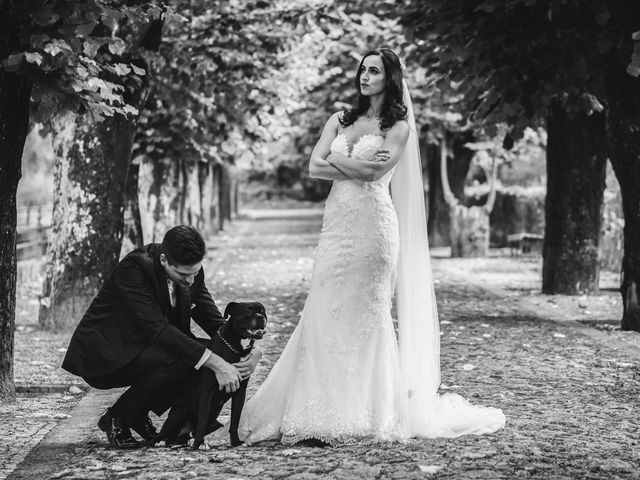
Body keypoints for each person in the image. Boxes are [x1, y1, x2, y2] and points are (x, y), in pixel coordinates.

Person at [232, 49, 505, 445]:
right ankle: (310, 407)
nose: (365, 76)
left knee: (366, 313)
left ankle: (368, 410)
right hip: (336, 226)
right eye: (362, 69)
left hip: (374, 229)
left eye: (374, 71)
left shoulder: (399, 127)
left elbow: (375, 172)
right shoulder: (339, 119)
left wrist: (338, 160)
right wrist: (352, 165)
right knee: (323, 307)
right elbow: (313, 166)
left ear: (389, 78)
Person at [62, 225, 261, 448]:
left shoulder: (192, 272)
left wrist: (251, 352)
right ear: (164, 260)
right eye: (184, 275)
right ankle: (117, 417)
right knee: (188, 357)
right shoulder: (133, 269)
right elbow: (159, 329)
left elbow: (216, 324)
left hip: (147, 347)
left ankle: (147, 415)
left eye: (196, 273)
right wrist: (218, 364)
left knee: (203, 354)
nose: (191, 281)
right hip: (106, 354)